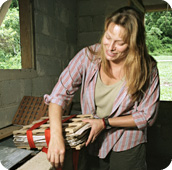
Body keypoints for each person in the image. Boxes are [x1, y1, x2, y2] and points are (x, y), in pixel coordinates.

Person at [44, 6, 160, 170]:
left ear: (134, 44)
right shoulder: (88, 57)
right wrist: (56, 136)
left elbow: (147, 116)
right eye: (108, 37)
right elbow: (58, 95)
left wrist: (104, 123)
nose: (110, 47)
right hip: (92, 139)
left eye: (120, 43)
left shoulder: (147, 69)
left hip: (127, 141)